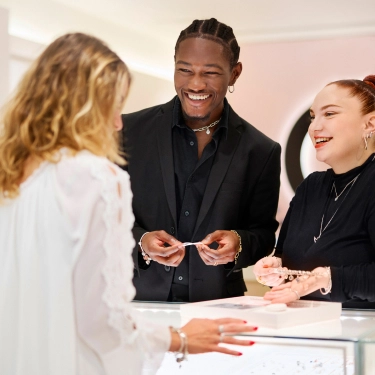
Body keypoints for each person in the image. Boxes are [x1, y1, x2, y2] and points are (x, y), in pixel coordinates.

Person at [0, 33, 258, 375]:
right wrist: (178, 338)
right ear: (87, 106)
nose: (119, 123)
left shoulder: (11, 174)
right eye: (114, 106)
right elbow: (101, 321)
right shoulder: (97, 178)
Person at [121, 18, 281, 303]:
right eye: (185, 70)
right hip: (136, 305)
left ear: (234, 73)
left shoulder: (261, 150)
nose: (195, 84)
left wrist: (239, 243)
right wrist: (141, 243)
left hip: (220, 308)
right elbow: (104, 219)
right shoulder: (127, 132)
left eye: (210, 72)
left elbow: (264, 234)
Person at [254, 75, 375, 309]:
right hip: (307, 332)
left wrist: (327, 279)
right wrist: (274, 269)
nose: (314, 127)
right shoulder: (311, 186)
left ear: (370, 124)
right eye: (313, 116)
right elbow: (284, 258)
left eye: (329, 114)